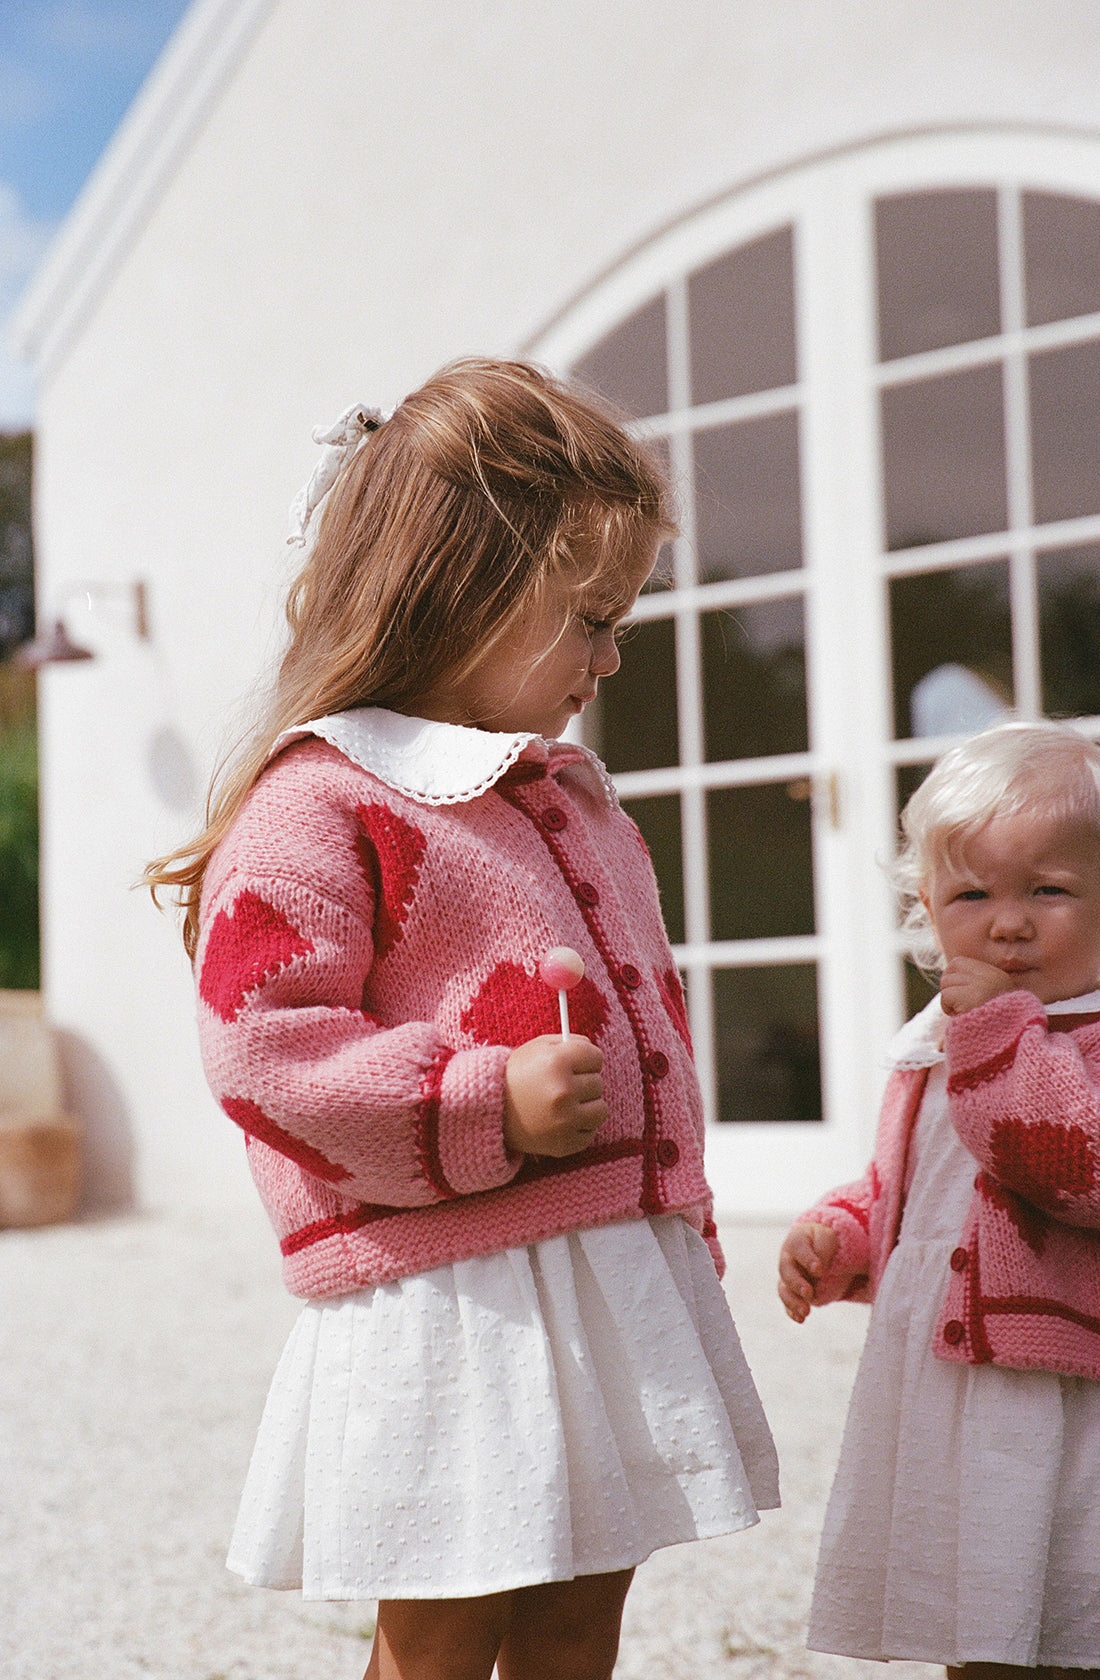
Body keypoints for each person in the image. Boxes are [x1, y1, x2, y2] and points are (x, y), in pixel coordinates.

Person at [148, 358, 778, 1680]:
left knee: (580, 1612)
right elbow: (267, 1047)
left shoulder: (566, 794)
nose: (612, 657)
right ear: (462, 598)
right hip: (453, 1295)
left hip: (601, 1265)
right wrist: (477, 1097)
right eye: (591, 619)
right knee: (441, 1630)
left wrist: (676, 1215)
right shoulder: (322, 805)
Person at [777, 720, 1100, 1679]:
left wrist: (998, 1032)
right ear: (927, 907)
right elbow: (914, 1188)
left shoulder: (1056, 1036)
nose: (1008, 923)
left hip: (1062, 1391)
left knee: (1072, 1609)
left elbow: (1069, 1164)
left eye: (1050, 890)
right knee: (977, 1615)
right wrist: (842, 1231)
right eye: (972, 894)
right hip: (960, 1387)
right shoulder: (936, 1041)